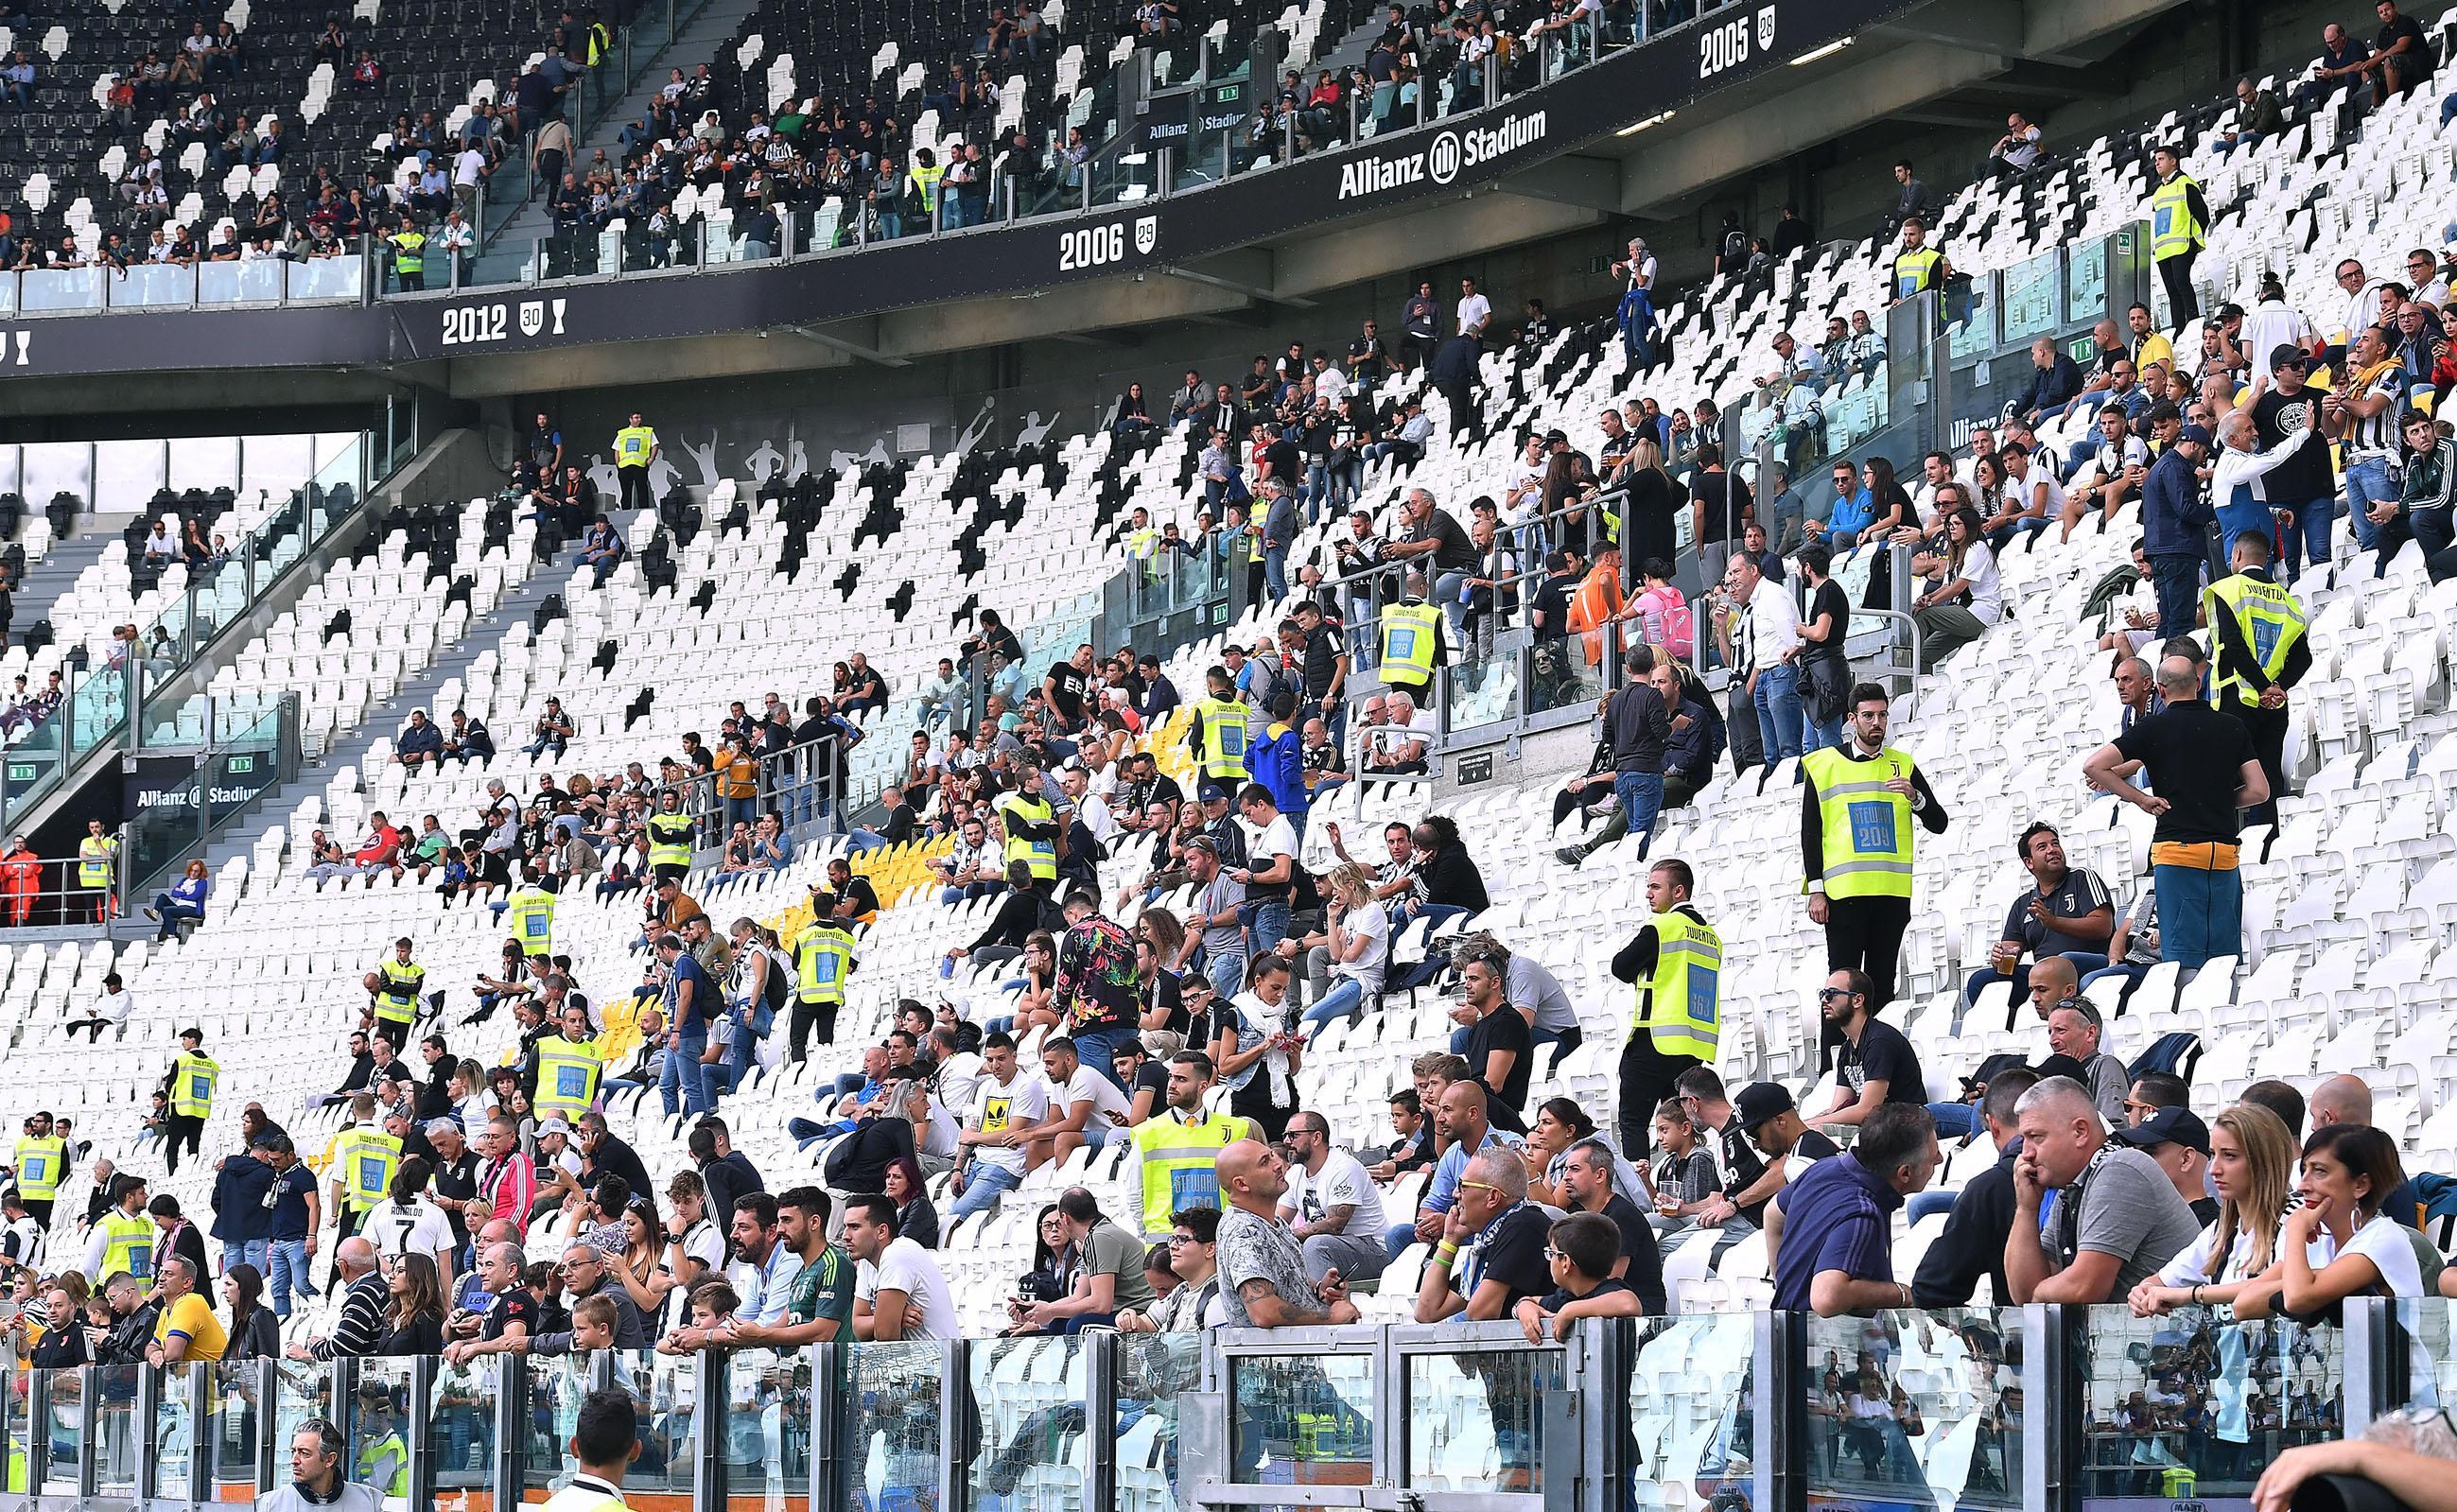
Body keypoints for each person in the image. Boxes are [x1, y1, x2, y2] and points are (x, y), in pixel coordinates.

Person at [2082, 655, 2268, 968]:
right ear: (2198, 684)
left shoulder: (2152, 728)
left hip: (2177, 855)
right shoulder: (2231, 726)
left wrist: (2141, 799)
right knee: (2224, 961)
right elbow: (2260, 790)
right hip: (2223, 856)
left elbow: (2094, 766)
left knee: (2181, 960)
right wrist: (2221, 801)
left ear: (2160, 690)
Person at [1802, 684, 1948, 1018]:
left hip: (1891, 894)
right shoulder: (1824, 765)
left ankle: (1880, 1058)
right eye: (1868, 716)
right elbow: (1810, 833)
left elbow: (1938, 822)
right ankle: (1835, 1061)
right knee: (1842, 983)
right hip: (1844, 895)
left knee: (1882, 982)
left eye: (1882, 715)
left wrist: (1916, 798)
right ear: (1853, 719)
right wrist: (1816, 890)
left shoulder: (1903, 764)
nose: (1876, 723)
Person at [2003, 1077, 2202, 1304]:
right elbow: (2021, 1295)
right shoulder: (2070, 1189)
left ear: (2080, 1132)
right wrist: (2026, 1209)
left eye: (2036, 1137)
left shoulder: (2121, 1168)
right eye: (2024, 1140)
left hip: (2172, 1335)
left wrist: (2036, 1293)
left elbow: (2084, 1288)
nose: (2026, 1154)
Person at [1771, 1104, 1941, 1315]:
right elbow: (1827, 1297)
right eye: (1933, 1158)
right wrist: (1902, 1294)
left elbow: (1772, 1213)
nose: (1940, 1159)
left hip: (1789, 1330)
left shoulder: (1823, 1168)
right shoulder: (1862, 1213)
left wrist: (1784, 1284)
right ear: (1904, 1173)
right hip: (1819, 1343)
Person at [1608, 860, 1719, 1160]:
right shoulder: (1710, 936)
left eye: (1655, 887)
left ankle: (1641, 1197)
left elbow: (1620, 966)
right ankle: (1684, 1185)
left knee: (1633, 1123)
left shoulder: (1664, 926)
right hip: (1692, 1047)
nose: (1648, 894)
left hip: (1654, 1038)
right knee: (1681, 1126)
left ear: (1679, 891)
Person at [2203, 530, 2307, 843]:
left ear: (2236, 556)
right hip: (2274, 706)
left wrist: (2262, 686)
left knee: (2223, 774)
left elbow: (2233, 648)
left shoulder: (2227, 589)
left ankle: (2223, 842)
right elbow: (2303, 658)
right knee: (2268, 776)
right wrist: (2278, 687)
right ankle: (2269, 844)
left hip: (2236, 699)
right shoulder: (2288, 601)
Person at [1912, 1067, 2040, 1306]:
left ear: (1992, 1125)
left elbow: (1932, 1289)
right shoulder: (2092, 1169)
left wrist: (1979, 1332)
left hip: (2023, 1336)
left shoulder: (1989, 1190)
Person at [1962, 822, 2117, 1013]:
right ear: (2029, 862)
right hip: (2043, 978)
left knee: (2062, 962)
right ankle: (2011, 1032)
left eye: (2055, 844)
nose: (2052, 850)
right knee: (1980, 981)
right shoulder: (2022, 904)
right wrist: (2000, 958)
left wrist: (2054, 922)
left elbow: (2104, 926)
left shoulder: (2081, 878)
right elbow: (2011, 953)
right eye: (2042, 847)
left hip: (2090, 964)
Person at [1213, 1139, 1360, 1327]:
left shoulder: (1275, 1223)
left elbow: (1282, 1287)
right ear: (1241, 1184)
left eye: (1273, 1155)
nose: (1279, 1165)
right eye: (1265, 1162)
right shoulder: (1243, 1230)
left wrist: (1318, 1291)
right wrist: (1330, 1317)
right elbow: (1264, 1311)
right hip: (1273, 1356)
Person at [2279, 1123, 2426, 1309]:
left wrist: (2296, 1230)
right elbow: (2245, 1303)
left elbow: (2297, 1298)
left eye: (2320, 1171)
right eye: (2304, 1170)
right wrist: (2309, 1276)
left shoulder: (2383, 1238)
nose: (2302, 1186)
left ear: (2360, 1185)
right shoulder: (2319, 1238)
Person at [1411, 1149, 1554, 1324]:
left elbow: (1481, 1312)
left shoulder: (1525, 1224)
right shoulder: (1488, 1239)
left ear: (1492, 1197)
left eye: (1463, 1185)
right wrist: (1450, 1240)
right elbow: (1427, 1311)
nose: (1455, 1194)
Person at [1124, 1051, 1248, 1242]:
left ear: (1203, 1087)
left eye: (1181, 1079)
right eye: (1170, 1077)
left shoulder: (1234, 1129)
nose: (1171, 1085)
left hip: (1218, 1241)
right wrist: (1147, 1234)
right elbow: (1134, 1192)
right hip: (1166, 1247)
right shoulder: (1148, 1132)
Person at [1279, 1111, 1388, 1286]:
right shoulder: (1295, 1173)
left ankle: (1323, 1310)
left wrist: (1285, 1236)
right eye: (1285, 1135)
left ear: (1316, 1137)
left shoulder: (1344, 1168)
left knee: (1316, 1245)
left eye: (1293, 1135)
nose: (1286, 1142)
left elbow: (1334, 1225)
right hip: (1334, 1249)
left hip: (1373, 1249)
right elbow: (1278, 1221)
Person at [1815, 968, 1927, 1127]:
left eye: (1831, 994)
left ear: (1858, 1000)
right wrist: (1810, 1125)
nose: (1824, 1000)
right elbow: (1839, 1108)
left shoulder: (1880, 1041)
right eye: (1823, 994)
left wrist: (1806, 1125)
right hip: (1880, 1130)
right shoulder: (1846, 1050)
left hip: (1909, 1129)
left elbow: (1867, 1110)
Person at [843, 1192, 957, 1340]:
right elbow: (858, 1327)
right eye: (846, 1227)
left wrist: (887, 1319)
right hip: (916, 1359)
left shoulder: (897, 1253)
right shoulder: (867, 1260)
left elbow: (885, 1335)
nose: (846, 1235)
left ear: (882, 1231)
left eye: (855, 1227)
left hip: (939, 1360)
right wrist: (893, 1316)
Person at [257, 1420, 383, 1512]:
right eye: (293, 1451)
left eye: (304, 1453)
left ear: (329, 1459)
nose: (294, 1460)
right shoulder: (270, 1505)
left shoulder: (369, 1502)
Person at [2146, 145, 2206, 325]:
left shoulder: (2185, 184)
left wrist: (2193, 240)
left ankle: (2194, 322)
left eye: (2161, 159)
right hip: (2164, 249)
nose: (2157, 163)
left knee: (2182, 283)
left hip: (2182, 244)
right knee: (2171, 290)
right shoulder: (2158, 192)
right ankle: (2178, 327)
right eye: (2156, 160)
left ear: (2173, 161)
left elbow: (2202, 215)